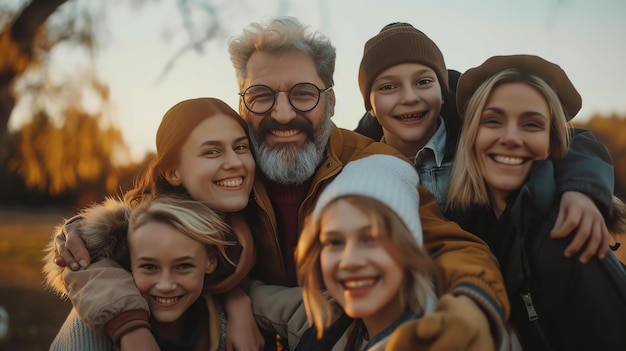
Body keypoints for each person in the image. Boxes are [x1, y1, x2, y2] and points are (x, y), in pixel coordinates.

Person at [56, 16, 507, 350]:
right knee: (85, 325)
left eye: (304, 94)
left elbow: (452, 247)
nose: (284, 113)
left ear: (330, 102)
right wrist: (84, 236)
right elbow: (147, 223)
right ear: (242, 102)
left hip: (341, 328)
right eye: (262, 96)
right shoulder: (232, 169)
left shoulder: (372, 163)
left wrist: (472, 303)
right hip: (251, 329)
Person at [355, 22, 614, 263]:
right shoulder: (355, 166)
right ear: (371, 106)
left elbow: (573, 141)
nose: (410, 97)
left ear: (442, 91)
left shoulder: (477, 137)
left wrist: (581, 191)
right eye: (388, 87)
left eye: (423, 82)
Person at [44, 97, 263, 350]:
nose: (235, 163)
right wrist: (130, 327)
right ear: (172, 172)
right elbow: (89, 266)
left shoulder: (246, 227)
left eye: (241, 147)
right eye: (211, 151)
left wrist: (237, 299)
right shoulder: (139, 233)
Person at [444, 54, 626, 350]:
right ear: (470, 137)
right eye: (493, 121)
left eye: (531, 124)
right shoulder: (467, 228)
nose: (511, 137)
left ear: (553, 143)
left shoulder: (569, 238)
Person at [50, 195, 235, 350]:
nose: (165, 285)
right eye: (149, 267)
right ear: (129, 262)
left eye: (184, 266)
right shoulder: (89, 329)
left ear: (210, 261)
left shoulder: (227, 323)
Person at [295, 154, 439, 350]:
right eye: (334, 242)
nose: (349, 261)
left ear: (410, 247)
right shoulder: (333, 325)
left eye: (371, 239)